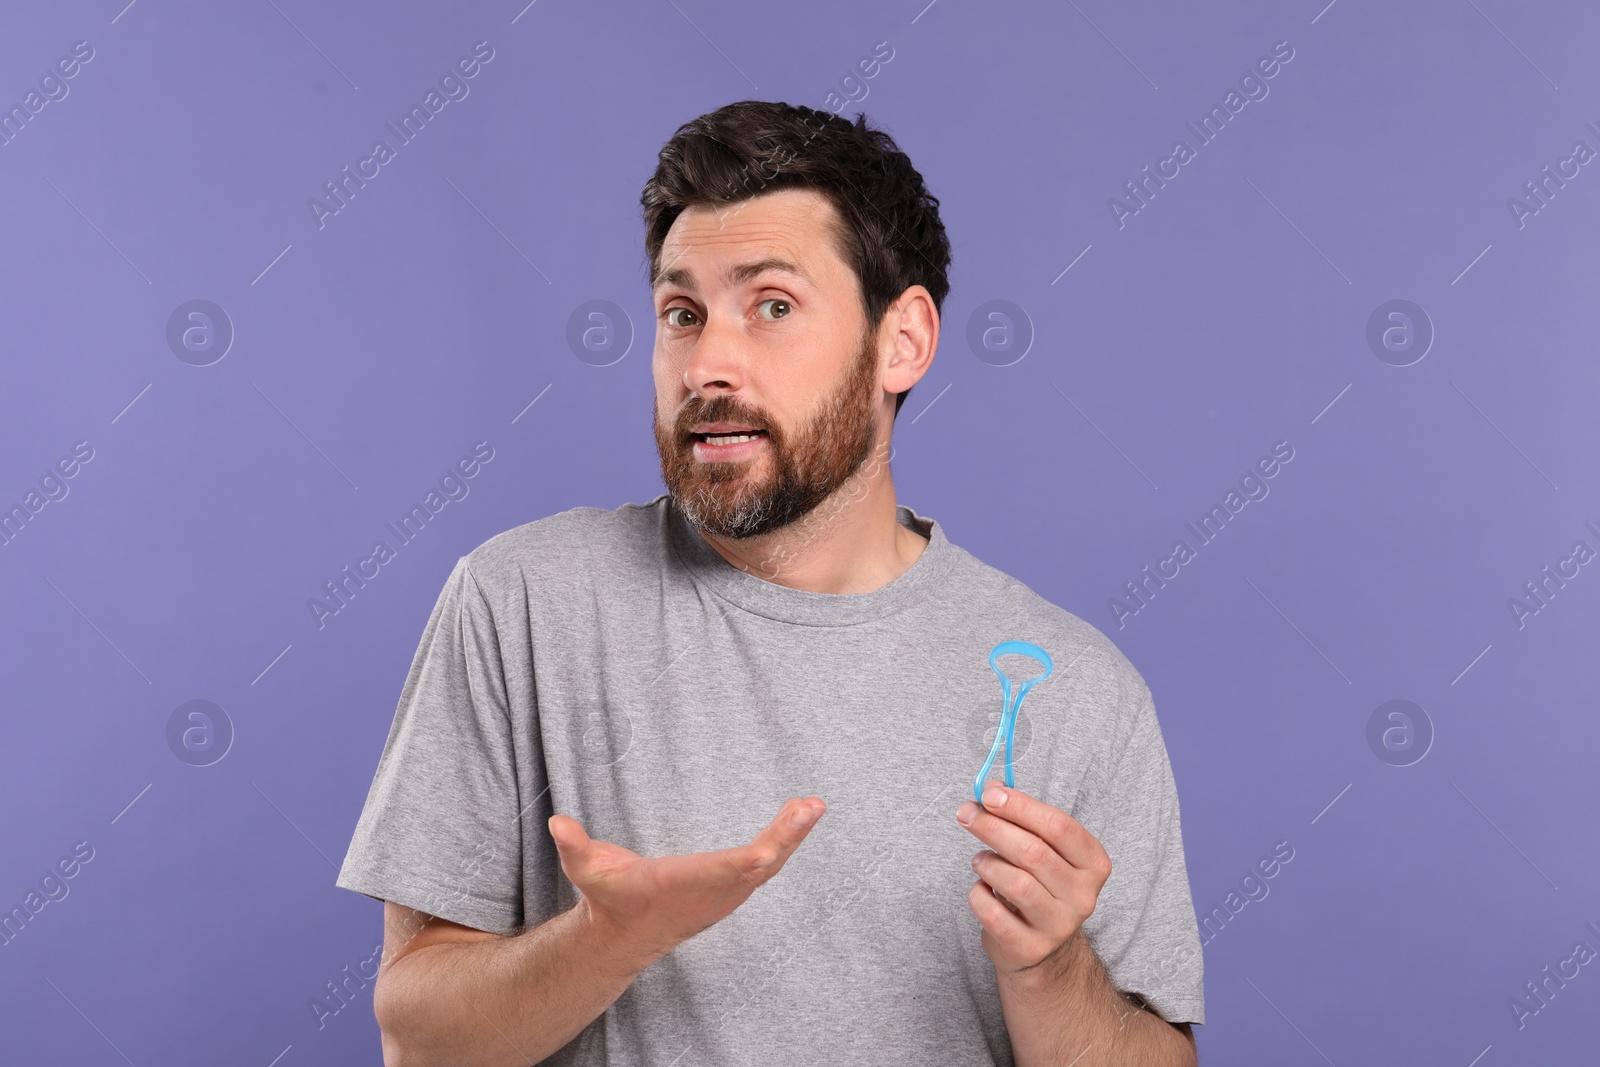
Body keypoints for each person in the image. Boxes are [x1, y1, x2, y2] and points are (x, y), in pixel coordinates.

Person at [336, 99, 1204, 1066]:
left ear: (902, 341)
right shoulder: (521, 602)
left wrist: (1050, 969)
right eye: (681, 314)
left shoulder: (1071, 685)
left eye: (773, 307)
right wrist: (609, 939)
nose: (708, 363)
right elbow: (417, 1040)